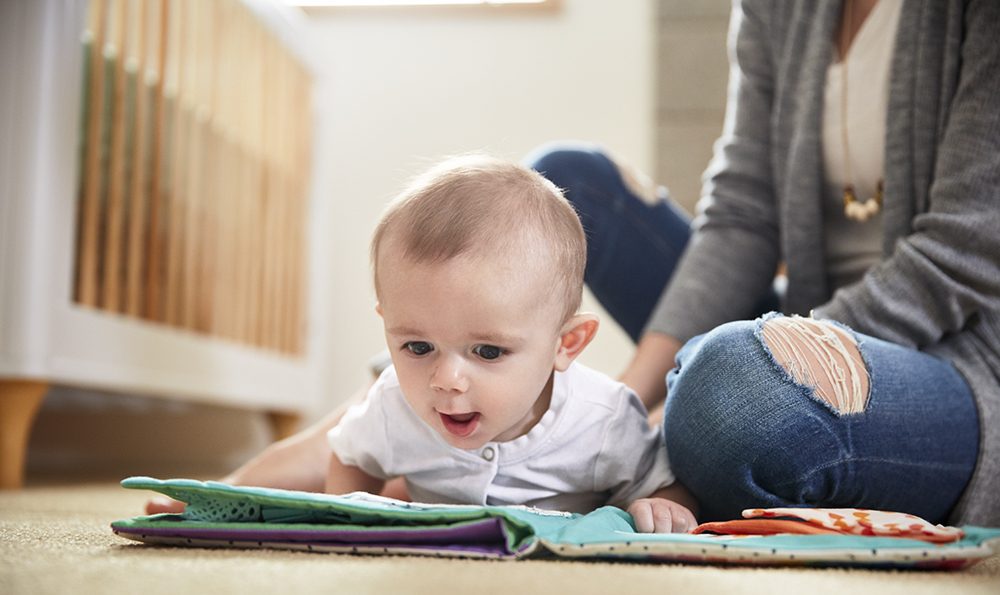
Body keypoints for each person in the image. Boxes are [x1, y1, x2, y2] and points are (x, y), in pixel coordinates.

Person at [525, 0, 999, 527]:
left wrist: (766, 361)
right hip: (802, 313)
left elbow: (962, 253)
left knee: (738, 388)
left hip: (959, 359)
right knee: (561, 189)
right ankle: (684, 428)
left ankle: (698, 435)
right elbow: (741, 216)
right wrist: (623, 413)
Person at [151, 155, 698, 533]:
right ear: (387, 323)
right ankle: (238, 491)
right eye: (417, 346)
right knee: (376, 481)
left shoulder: (604, 421)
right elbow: (348, 455)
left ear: (567, 343)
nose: (446, 380)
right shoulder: (393, 404)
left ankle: (403, 489)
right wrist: (348, 512)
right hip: (432, 512)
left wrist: (665, 507)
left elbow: (661, 482)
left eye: (487, 352)